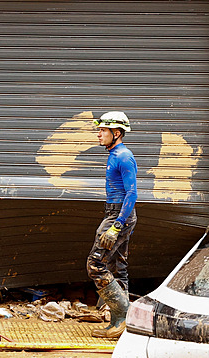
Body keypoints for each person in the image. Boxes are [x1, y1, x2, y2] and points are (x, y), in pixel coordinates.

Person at [87, 111, 137, 339]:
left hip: (119, 215)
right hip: (116, 213)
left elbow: (132, 193)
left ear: (116, 133)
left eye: (103, 130)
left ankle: (124, 315)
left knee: (95, 264)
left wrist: (116, 225)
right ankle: (119, 323)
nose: (99, 134)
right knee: (119, 265)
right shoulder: (114, 154)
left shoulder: (124, 156)